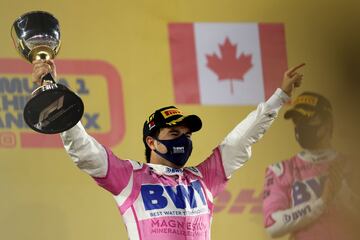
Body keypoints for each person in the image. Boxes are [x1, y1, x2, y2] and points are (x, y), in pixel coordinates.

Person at [32, 60, 304, 240]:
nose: (183, 140)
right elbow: (84, 151)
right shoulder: (130, 177)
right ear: (152, 142)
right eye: (174, 133)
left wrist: (279, 97)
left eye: (186, 135)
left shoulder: (204, 178)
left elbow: (240, 140)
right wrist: (55, 94)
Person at [262, 91, 359, 240]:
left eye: (307, 118)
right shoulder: (281, 169)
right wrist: (319, 204)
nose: (300, 126)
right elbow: (273, 225)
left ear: (327, 123)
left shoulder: (353, 165)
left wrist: (343, 192)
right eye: (297, 120)